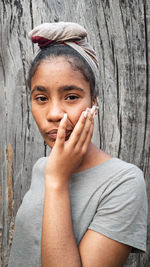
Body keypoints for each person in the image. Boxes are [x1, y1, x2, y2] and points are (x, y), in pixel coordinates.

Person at [8, 22, 148, 267]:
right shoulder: (42, 166)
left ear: (93, 102)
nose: (54, 113)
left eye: (71, 97)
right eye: (41, 98)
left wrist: (58, 180)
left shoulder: (123, 182)